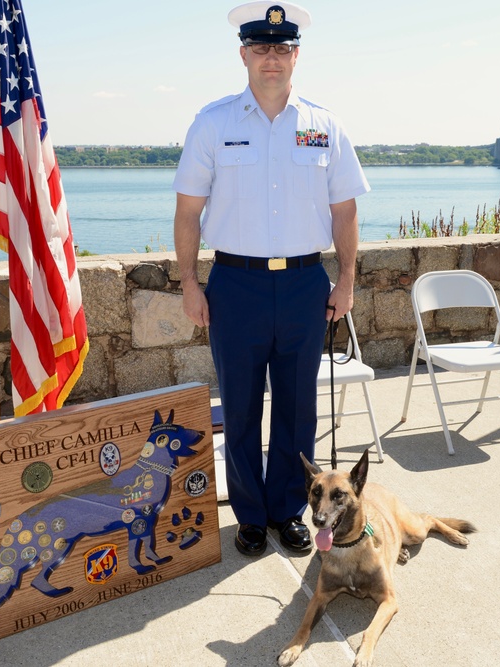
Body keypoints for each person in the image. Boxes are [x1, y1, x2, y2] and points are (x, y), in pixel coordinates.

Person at [172, 1, 369, 557]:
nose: (272, 57)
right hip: (235, 285)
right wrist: (189, 282)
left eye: (282, 47)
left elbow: (345, 211)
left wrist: (347, 277)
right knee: (239, 407)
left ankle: (288, 509)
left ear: (296, 54)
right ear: (243, 54)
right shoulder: (213, 123)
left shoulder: (324, 125)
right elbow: (189, 211)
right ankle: (250, 516)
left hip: (307, 282)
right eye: (261, 46)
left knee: (297, 408)